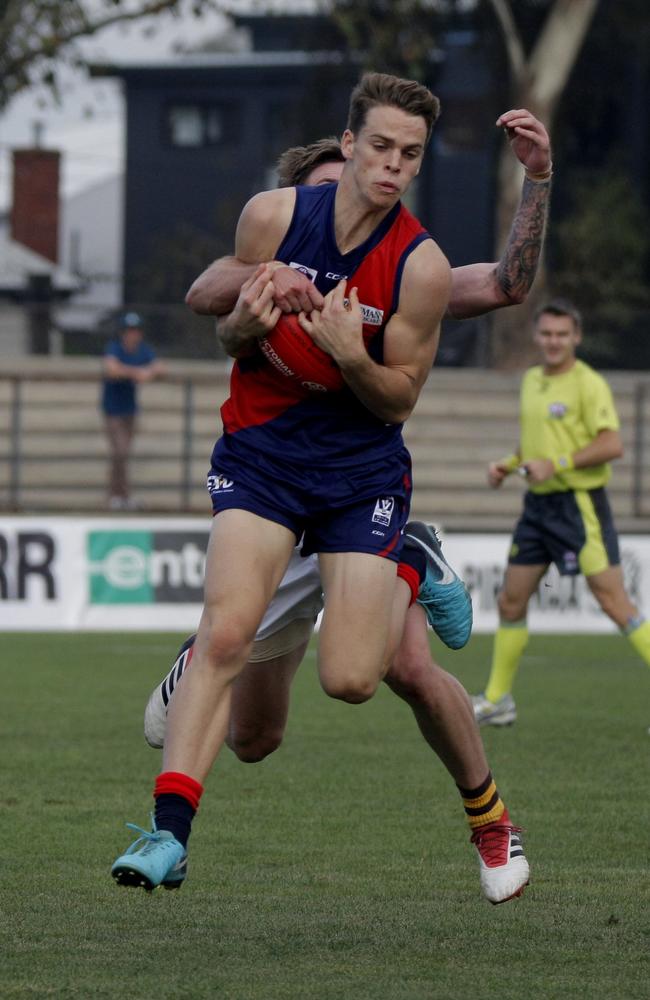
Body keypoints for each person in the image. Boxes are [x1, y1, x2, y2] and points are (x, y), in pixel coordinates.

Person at [128, 107, 551, 903]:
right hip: (274, 492)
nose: (359, 197)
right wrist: (253, 299)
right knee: (254, 737)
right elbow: (207, 292)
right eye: (329, 190)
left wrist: (536, 179)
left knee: (400, 669)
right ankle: (208, 659)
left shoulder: (404, 269)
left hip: (362, 494)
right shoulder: (271, 252)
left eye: (399, 160)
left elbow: (504, 283)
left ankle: (490, 818)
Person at [472, 299, 650, 727]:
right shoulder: (532, 380)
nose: (553, 341)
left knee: (614, 602)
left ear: (576, 337)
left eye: (562, 334)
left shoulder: (588, 384)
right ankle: (498, 700)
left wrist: (559, 464)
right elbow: (536, 445)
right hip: (537, 507)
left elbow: (612, 444)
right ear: (537, 336)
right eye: (547, 334)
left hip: (578, 505)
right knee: (511, 600)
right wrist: (509, 465)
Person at [101, 311, 166, 510]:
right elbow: (111, 369)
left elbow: (160, 367)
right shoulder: (115, 348)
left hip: (130, 410)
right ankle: (116, 495)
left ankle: (121, 495)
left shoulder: (143, 350)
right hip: (113, 410)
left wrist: (148, 372)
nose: (132, 334)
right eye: (129, 330)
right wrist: (137, 372)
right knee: (120, 452)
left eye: (135, 330)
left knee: (123, 453)